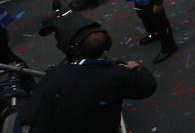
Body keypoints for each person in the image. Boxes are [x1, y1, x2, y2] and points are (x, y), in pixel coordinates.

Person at [21, 27, 157, 132]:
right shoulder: (116, 75)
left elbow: (28, 114)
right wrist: (137, 68)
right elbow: (148, 86)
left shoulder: (57, 73)